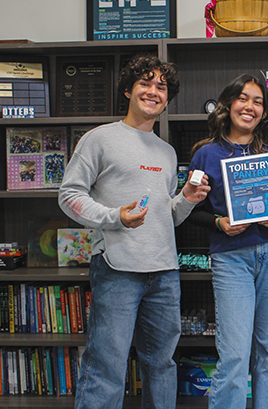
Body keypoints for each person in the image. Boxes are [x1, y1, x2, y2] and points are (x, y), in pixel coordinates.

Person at [58, 53, 210, 409]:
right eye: (145, 83)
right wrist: (114, 217)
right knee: (106, 366)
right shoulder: (100, 139)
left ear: (167, 98)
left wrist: (185, 199)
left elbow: (164, 217)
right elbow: (68, 196)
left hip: (164, 273)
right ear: (128, 89)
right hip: (117, 269)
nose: (153, 91)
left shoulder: (167, 152)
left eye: (161, 86)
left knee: (161, 364)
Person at [187, 74, 268, 408]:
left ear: (265, 111)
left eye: (258, 101)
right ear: (228, 103)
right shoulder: (206, 154)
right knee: (235, 352)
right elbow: (189, 209)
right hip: (231, 259)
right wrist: (219, 223)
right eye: (243, 98)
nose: (250, 106)